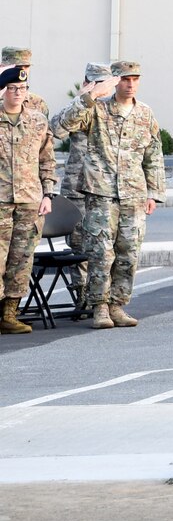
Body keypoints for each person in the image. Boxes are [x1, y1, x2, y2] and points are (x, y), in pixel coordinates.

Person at [50, 60, 164, 329]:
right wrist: (89, 96)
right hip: (101, 194)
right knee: (101, 252)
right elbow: (58, 127)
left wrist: (154, 193)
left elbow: (154, 155)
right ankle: (99, 308)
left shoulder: (145, 114)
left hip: (134, 195)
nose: (131, 84)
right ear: (115, 81)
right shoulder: (97, 110)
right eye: (125, 79)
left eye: (135, 79)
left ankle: (117, 305)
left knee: (129, 253)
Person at [1, 60, 55, 335]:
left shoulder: (37, 121)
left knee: (21, 260)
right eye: (12, 88)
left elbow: (46, 160)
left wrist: (48, 194)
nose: (18, 93)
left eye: (22, 88)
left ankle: (10, 314)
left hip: (29, 200)